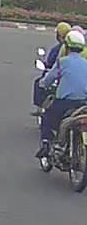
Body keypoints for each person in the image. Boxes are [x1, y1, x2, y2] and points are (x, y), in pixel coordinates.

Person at [37, 29, 87, 158]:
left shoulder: (62, 62)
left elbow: (47, 80)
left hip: (65, 103)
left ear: (67, 46)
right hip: (84, 103)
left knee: (46, 116)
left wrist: (42, 84)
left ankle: (46, 145)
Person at [34, 22, 72, 113]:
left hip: (58, 76)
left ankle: (40, 107)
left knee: (39, 83)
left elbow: (51, 63)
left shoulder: (58, 49)